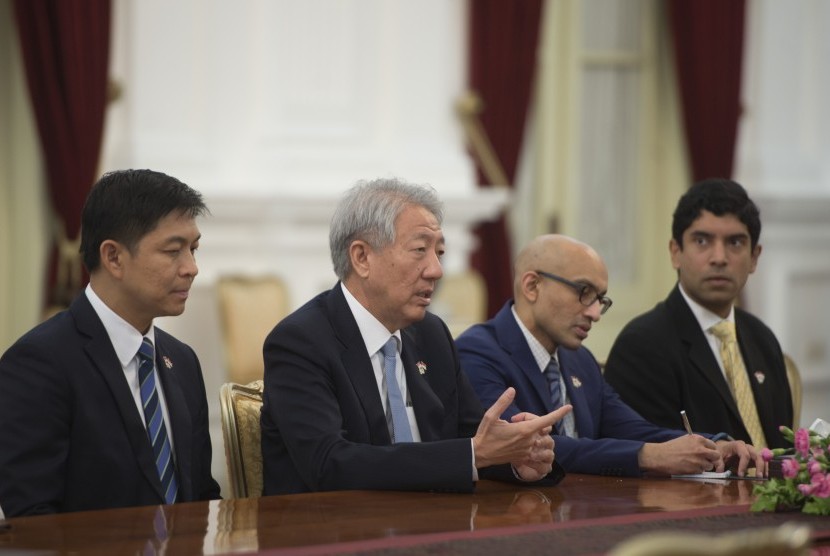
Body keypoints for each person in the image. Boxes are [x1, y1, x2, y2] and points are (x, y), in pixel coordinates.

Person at [260, 178, 571, 495]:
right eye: (420, 250)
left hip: (431, 530)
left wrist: (518, 459)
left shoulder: (431, 334)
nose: (436, 270)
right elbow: (329, 464)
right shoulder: (300, 342)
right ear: (362, 258)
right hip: (328, 533)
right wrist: (476, 453)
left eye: (439, 253)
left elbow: (472, 441)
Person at [0, 169, 221, 517]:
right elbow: (33, 519)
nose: (191, 268)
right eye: (173, 251)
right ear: (113, 257)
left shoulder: (182, 361)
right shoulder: (38, 364)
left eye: (193, 249)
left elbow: (202, 498)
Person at [456, 234, 764, 477]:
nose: (594, 313)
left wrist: (714, 445)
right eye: (584, 291)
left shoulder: (581, 361)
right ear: (532, 285)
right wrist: (647, 457)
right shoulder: (478, 353)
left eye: (600, 299)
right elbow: (524, 448)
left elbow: (634, 430)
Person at [604, 178, 792, 449]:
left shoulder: (762, 338)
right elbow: (649, 465)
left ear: (754, 258)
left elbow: (782, 451)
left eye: (735, 242)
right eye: (702, 241)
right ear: (675, 252)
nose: (719, 257)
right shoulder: (642, 345)